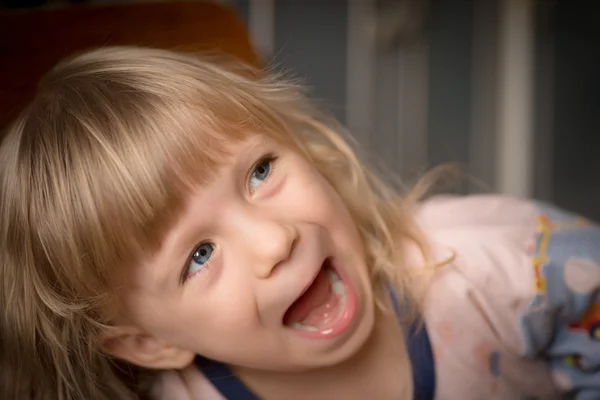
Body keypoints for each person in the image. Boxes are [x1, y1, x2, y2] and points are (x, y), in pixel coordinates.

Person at [0, 46, 598, 400]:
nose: (275, 240)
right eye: (199, 255)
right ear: (150, 342)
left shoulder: (497, 265)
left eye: (259, 172)